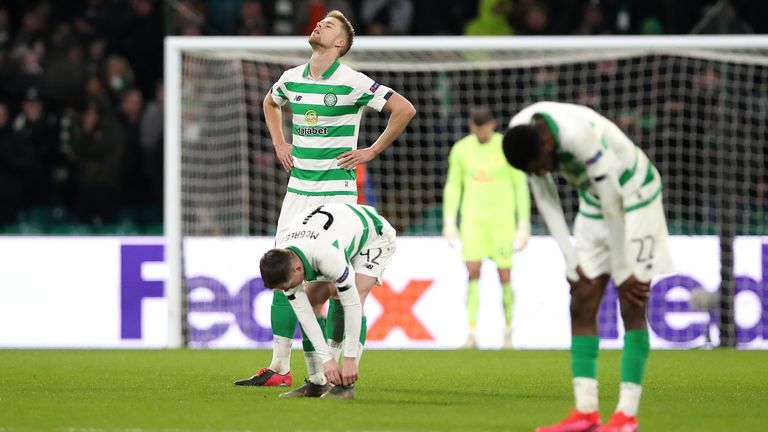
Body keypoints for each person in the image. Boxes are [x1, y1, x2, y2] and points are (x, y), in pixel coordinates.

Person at [234, 9, 415, 388]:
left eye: (328, 25)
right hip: (297, 192)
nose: (319, 25)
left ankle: (336, 375)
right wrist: (279, 141)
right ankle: (280, 368)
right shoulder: (291, 78)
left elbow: (404, 109)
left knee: (336, 287)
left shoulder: (352, 82)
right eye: (320, 22)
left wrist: (371, 150)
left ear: (340, 44)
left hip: (336, 196)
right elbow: (271, 103)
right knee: (287, 276)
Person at [503, 102, 673, 432]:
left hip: (636, 196)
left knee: (632, 300)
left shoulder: (578, 135)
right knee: (581, 300)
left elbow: (615, 203)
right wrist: (571, 261)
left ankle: (626, 416)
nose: (540, 173)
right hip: (594, 200)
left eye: (540, 166)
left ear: (548, 144)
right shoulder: (522, 135)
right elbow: (546, 200)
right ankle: (585, 413)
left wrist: (623, 269)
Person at [259, 202, 397, 399]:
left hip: (374, 235)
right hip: (333, 232)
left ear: (297, 269)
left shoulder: (327, 257)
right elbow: (305, 315)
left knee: (350, 296)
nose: (287, 291)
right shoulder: (284, 255)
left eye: (287, 286)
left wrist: (347, 360)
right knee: (310, 299)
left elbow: (352, 306)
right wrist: (327, 361)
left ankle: (346, 385)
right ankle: (317, 382)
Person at [442, 106, 530, 349]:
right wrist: (450, 221)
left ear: (494, 124)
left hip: (502, 222)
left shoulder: (506, 146)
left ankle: (509, 331)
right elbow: (453, 186)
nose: (481, 133)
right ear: (471, 126)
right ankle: (471, 333)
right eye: (477, 129)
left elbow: (520, 185)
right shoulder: (461, 149)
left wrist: (524, 224)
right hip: (473, 221)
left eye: (485, 128)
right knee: (472, 273)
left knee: (505, 276)